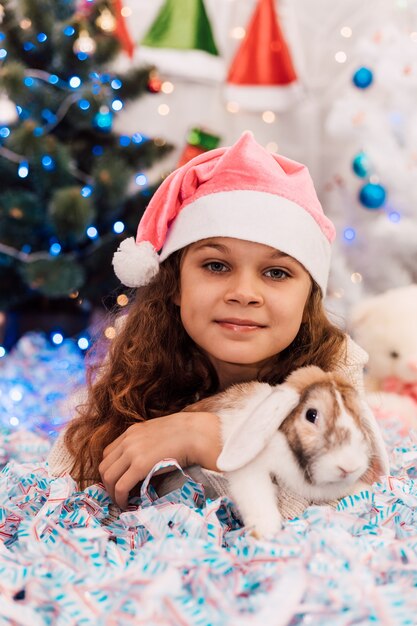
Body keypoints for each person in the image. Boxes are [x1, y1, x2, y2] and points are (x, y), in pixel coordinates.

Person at [48, 132, 389, 517]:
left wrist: (208, 438)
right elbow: (68, 471)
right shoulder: (140, 346)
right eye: (216, 266)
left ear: (308, 298)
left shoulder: (333, 364)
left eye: (276, 273)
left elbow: (345, 501)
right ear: (175, 284)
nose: (244, 293)